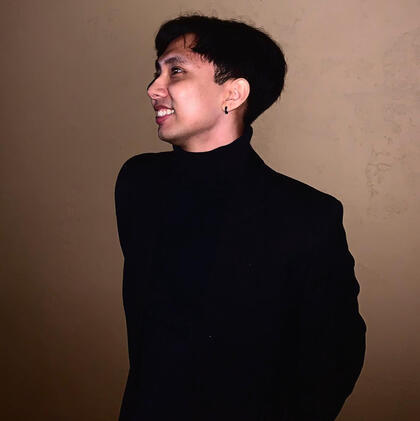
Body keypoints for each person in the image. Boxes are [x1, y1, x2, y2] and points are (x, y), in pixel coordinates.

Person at [114, 14, 366, 421]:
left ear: (232, 93)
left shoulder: (307, 215)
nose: (153, 89)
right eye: (157, 72)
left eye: (175, 71)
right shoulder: (137, 182)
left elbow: (335, 357)